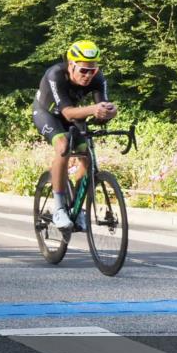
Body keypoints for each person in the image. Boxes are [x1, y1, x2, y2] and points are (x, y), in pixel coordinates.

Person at [32, 40, 117, 230]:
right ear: (71, 65)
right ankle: (59, 208)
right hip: (48, 114)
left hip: (74, 115)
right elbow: (68, 113)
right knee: (63, 146)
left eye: (92, 71)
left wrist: (110, 111)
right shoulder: (55, 75)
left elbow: (101, 108)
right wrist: (94, 109)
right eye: (83, 70)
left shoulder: (98, 78)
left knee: (87, 156)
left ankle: (77, 208)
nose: (88, 75)